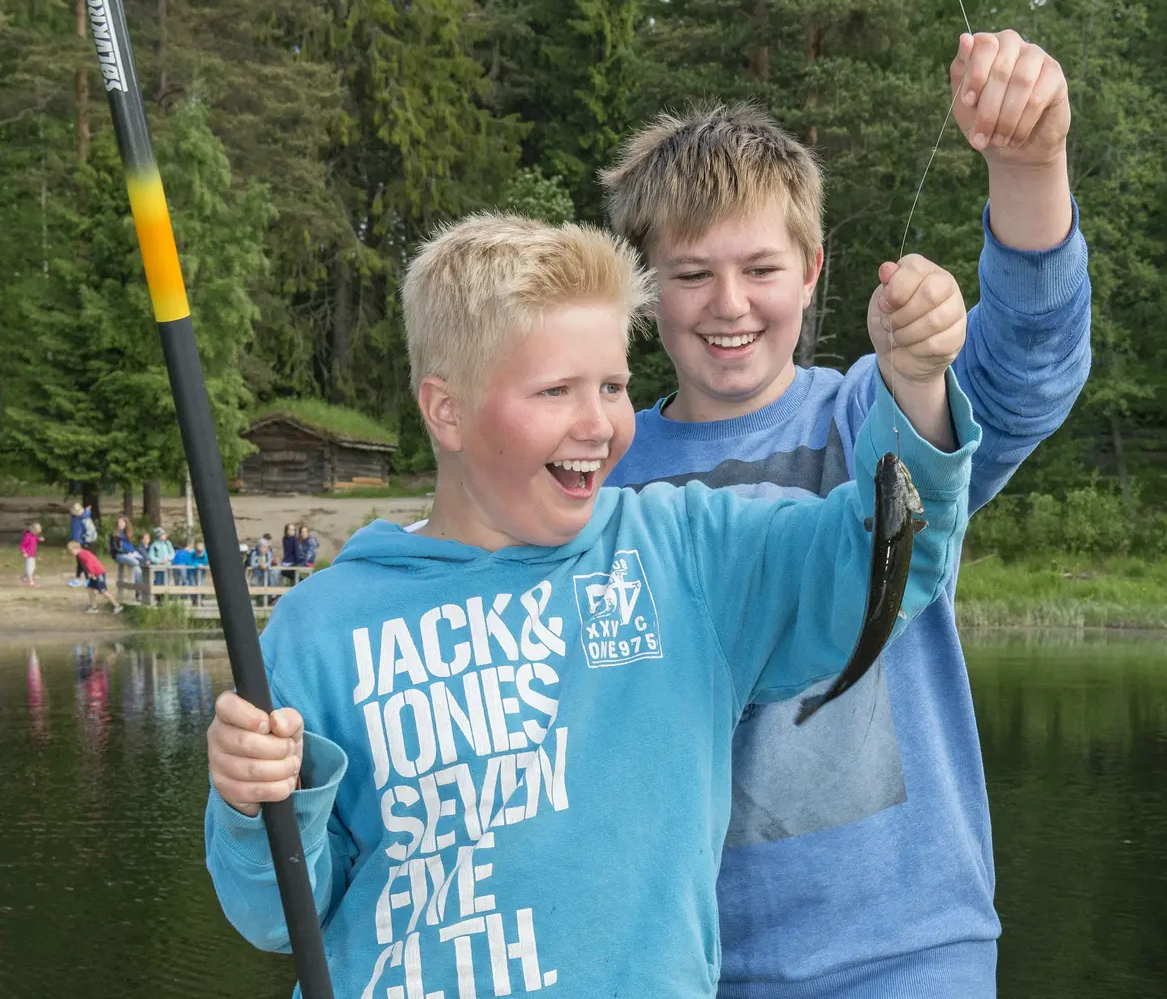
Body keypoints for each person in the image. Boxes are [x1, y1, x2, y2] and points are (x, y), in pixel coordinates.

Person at [203, 214, 981, 999]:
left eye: (612, 386)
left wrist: (914, 383)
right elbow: (274, 912)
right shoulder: (320, 625)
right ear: (446, 410)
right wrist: (250, 800)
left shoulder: (688, 555)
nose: (600, 423)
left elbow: (877, 560)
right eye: (555, 391)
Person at [599, 31, 1090, 999]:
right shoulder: (596, 474)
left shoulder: (880, 409)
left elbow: (1031, 363)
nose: (728, 304)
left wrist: (1028, 165)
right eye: (691, 274)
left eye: (761, 270)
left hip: (908, 956)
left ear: (816, 269)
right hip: (671, 967)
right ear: (644, 287)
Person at [68, 541, 123, 614]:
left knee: (103, 590)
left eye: (71, 550)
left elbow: (88, 564)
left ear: (77, 548)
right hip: (93, 574)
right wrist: (78, 576)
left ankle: (117, 606)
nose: (70, 552)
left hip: (98, 573)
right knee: (90, 588)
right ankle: (94, 607)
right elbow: (80, 566)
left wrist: (92, 574)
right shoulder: (79, 555)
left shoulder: (83, 554)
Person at [68, 502, 97, 586]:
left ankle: (87, 579)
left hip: (82, 543)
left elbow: (89, 532)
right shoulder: (76, 518)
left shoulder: (84, 519)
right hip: (77, 542)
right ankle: (79, 578)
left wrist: (82, 541)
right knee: (79, 561)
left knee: (84, 561)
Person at [108, 516, 143, 584]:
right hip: (119, 555)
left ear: (126, 523)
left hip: (130, 555)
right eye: (119, 522)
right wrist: (127, 553)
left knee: (138, 570)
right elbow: (115, 548)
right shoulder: (115, 535)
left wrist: (132, 553)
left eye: (121, 522)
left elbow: (131, 547)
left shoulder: (128, 534)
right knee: (136, 562)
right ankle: (139, 586)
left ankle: (138, 589)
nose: (119, 524)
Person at [20, 522, 43, 586]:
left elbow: (35, 539)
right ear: (32, 530)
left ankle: (23, 578)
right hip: (28, 555)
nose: (37, 534)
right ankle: (31, 581)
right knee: (30, 568)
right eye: (36, 532)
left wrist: (39, 539)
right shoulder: (27, 536)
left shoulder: (33, 536)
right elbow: (22, 545)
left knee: (33, 568)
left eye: (38, 533)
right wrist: (24, 553)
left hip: (32, 555)